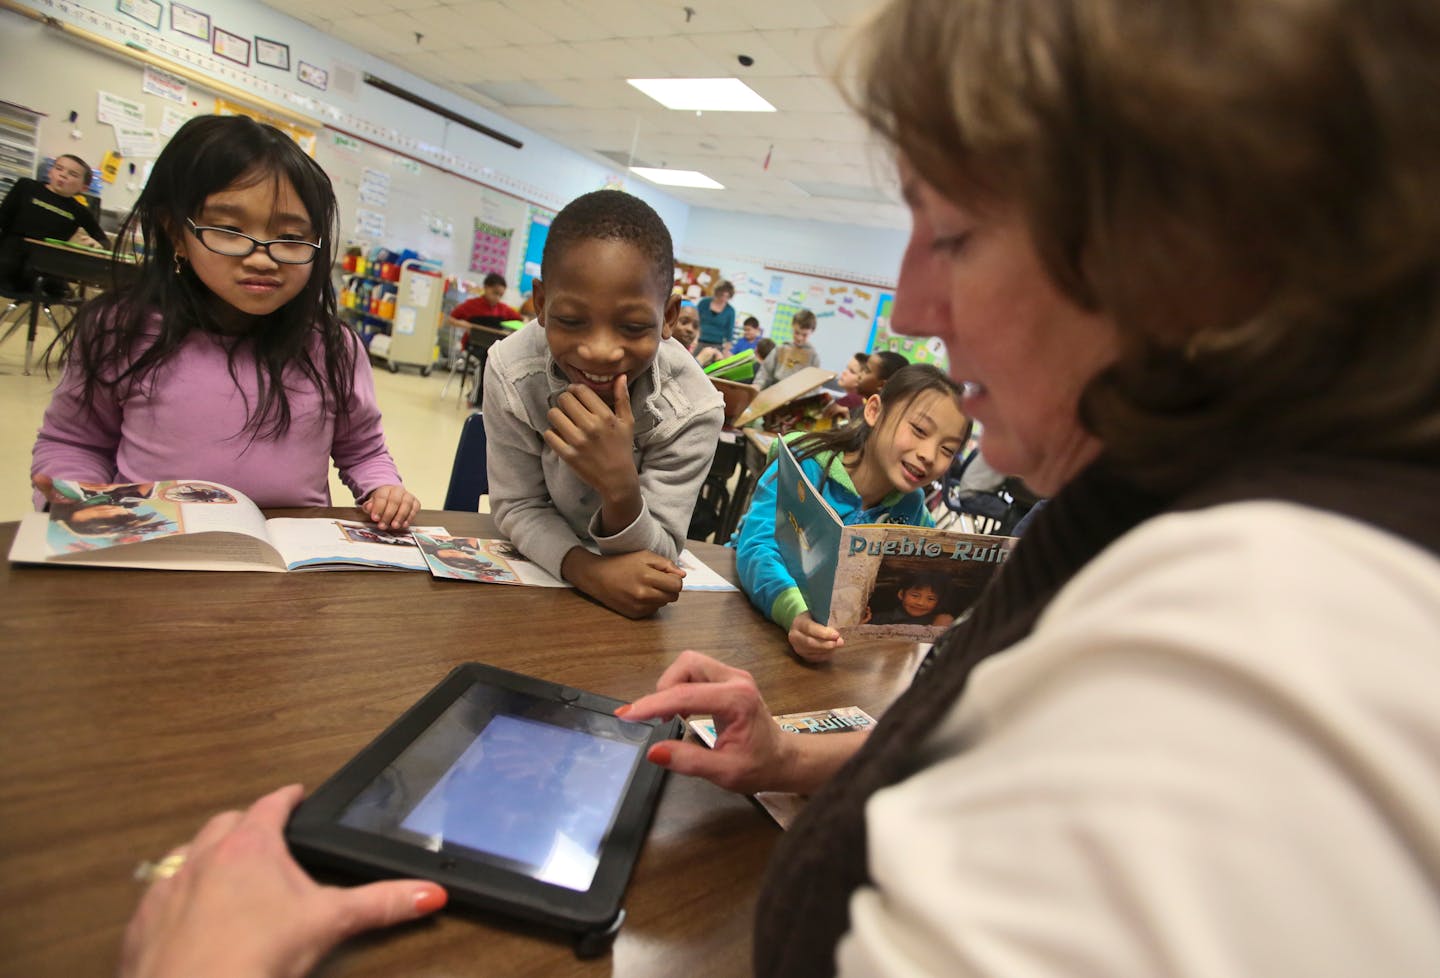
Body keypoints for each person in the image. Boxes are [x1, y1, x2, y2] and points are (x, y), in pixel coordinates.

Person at [115, 0, 1440, 973]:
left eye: (960, 231)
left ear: (1189, 253)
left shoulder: (1266, 671)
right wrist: (811, 754)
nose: (912, 301)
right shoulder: (1165, 501)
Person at [29, 115, 419, 528]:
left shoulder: (332, 346)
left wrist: (382, 489)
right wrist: (75, 496)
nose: (262, 257)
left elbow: (362, 449)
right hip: (151, 552)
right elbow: (75, 441)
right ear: (177, 233)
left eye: (289, 237)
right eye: (229, 229)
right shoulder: (121, 328)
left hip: (287, 564)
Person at [483, 189, 725, 619]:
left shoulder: (692, 410)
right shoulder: (512, 370)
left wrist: (620, 486)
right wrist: (589, 572)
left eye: (632, 327)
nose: (599, 351)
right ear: (540, 304)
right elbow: (518, 505)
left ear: (669, 317)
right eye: (571, 321)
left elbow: (662, 553)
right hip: (540, 586)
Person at [733, 364, 968, 661]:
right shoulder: (803, 463)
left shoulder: (913, 507)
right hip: (753, 621)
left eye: (947, 450)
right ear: (873, 412)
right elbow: (757, 546)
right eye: (919, 430)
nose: (929, 455)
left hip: (840, 655)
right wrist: (795, 614)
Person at [0, 154, 109, 294]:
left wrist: (98, 245)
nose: (63, 175)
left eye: (73, 174)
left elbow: (104, 241)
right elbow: (3, 217)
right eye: (59, 168)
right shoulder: (27, 187)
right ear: (50, 172)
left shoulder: (79, 211)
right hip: (10, 258)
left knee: (60, 287)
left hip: (46, 267)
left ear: (84, 188)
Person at [753, 308, 821, 389]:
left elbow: (814, 386)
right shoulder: (780, 349)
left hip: (797, 398)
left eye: (804, 335)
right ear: (792, 326)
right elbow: (765, 372)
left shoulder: (813, 357)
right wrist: (757, 385)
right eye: (796, 332)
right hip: (774, 393)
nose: (799, 338)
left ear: (812, 331)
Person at [862, 569, 953, 626]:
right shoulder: (879, 620)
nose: (921, 603)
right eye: (915, 596)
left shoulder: (939, 623)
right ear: (901, 594)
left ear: (938, 602)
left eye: (931, 599)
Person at [445, 272, 519, 331]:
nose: (497, 298)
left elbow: (521, 319)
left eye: (501, 295)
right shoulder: (471, 305)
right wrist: (465, 325)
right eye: (495, 293)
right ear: (486, 287)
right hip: (472, 345)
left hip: (493, 346)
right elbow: (450, 319)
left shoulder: (504, 309)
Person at [694, 278, 735, 357]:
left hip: (717, 346)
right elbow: (696, 321)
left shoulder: (730, 311)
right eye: (722, 295)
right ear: (717, 293)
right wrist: (695, 340)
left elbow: (729, 333)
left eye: (727, 296)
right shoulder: (704, 303)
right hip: (699, 342)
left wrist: (726, 351)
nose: (724, 299)